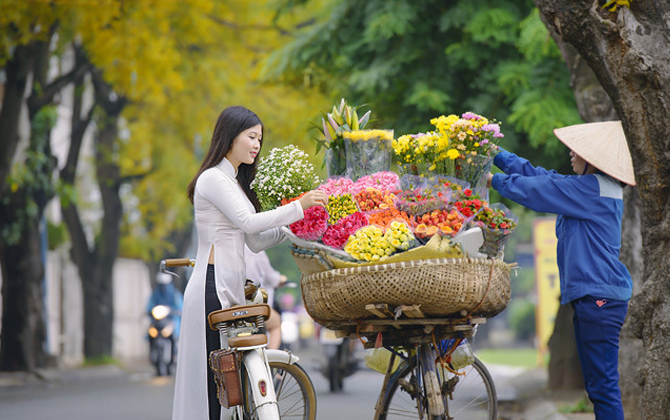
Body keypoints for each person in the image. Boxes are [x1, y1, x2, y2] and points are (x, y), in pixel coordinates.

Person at [171, 106, 327, 420]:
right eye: (251, 136)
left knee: (228, 379)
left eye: (260, 138)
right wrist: (298, 206)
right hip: (210, 288)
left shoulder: (236, 184)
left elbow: (254, 240)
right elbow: (249, 222)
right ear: (230, 137)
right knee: (212, 382)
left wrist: (295, 229)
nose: (257, 144)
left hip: (229, 287)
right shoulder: (213, 178)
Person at [485, 120, 635, 420]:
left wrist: (494, 181)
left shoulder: (593, 190)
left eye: (577, 152)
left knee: (603, 388)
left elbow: (538, 190)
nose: (571, 155)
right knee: (598, 388)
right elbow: (540, 177)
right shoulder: (590, 187)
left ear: (593, 160)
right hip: (596, 298)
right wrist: (493, 151)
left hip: (601, 300)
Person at [243, 244, 287, 350]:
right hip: (250, 306)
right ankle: (271, 360)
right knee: (276, 323)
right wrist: (282, 279)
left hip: (227, 304)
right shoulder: (253, 248)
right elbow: (271, 277)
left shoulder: (220, 246)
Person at [147, 272, 184, 360]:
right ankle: (151, 352)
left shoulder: (174, 294)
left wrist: (178, 311)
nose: (163, 287)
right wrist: (148, 311)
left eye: (165, 285)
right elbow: (150, 304)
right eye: (161, 285)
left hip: (170, 319)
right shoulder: (155, 294)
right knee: (150, 333)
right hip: (158, 320)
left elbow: (180, 305)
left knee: (174, 333)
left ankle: (174, 354)